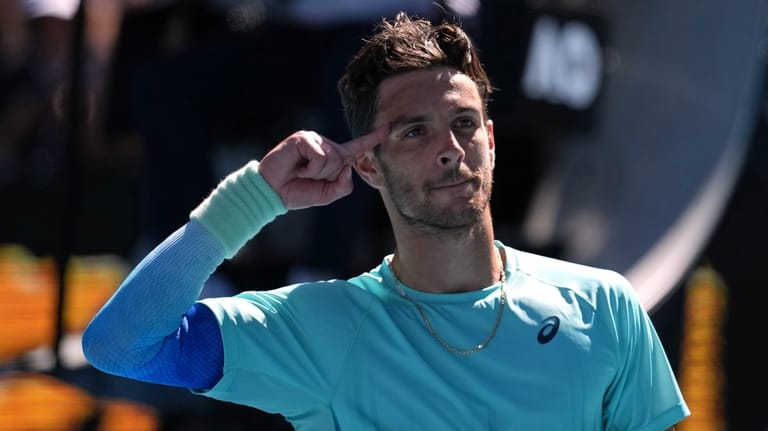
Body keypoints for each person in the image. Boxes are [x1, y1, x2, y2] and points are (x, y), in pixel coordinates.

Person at [82, 11, 690, 430]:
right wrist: (253, 199)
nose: (449, 148)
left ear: (493, 140)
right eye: (415, 131)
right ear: (368, 167)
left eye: (464, 124)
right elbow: (121, 346)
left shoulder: (606, 305)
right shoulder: (320, 326)